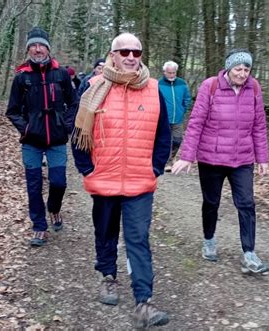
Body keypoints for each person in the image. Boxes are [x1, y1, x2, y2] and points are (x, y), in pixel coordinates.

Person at [71, 33, 171, 328]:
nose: (130, 56)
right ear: (112, 55)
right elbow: (77, 134)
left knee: (138, 238)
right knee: (105, 232)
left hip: (140, 181)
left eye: (136, 52)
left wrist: (155, 168)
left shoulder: (154, 90)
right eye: (124, 51)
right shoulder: (92, 88)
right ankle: (108, 277)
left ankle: (144, 302)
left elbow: (163, 135)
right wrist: (86, 169)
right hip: (103, 178)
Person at [172, 49, 269, 274]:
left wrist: (262, 158)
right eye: (238, 69)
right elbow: (196, 122)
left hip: (242, 159)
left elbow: (259, 126)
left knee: (246, 204)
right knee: (211, 203)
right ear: (228, 68)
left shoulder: (254, 88)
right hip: (211, 158)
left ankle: (249, 254)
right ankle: (209, 240)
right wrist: (187, 155)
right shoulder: (210, 86)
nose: (242, 74)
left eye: (247, 69)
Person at [6, 27, 78, 247]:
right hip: (31, 142)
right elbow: (12, 110)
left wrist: (64, 126)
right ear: (29, 49)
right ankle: (39, 227)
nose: (37, 49)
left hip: (56, 140)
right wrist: (26, 129)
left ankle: (54, 209)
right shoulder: (22, 77)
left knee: (59, 182)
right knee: (34, 185)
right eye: (33, 46)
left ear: (48, 48)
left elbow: (74, 102)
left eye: (41, 45)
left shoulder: (61, 74)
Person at [158, 61, 191, 171]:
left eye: (173, 72)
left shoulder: (182, 83)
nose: (172, 75)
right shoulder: (159, 84)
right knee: (165, 141)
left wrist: (182, 110)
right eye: (169, 73)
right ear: (164, 72)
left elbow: (187, 98)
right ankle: (166, 162)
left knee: (177, 140)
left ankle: (171, 158)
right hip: (164, 118)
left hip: (178, 118)